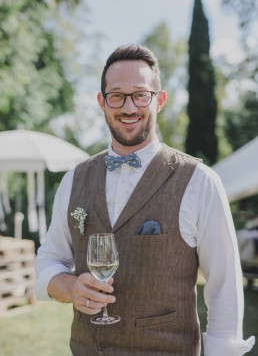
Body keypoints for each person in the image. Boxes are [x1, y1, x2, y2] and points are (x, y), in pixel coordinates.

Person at [35, 44, 255, 356]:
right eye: (117, 95)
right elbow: (49, 260)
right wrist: (69, 287)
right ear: (101, 101)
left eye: (140, 94)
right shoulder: (74, 179)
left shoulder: (200, 181)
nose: (128, 108)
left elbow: (224, 288)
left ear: (159, 99)